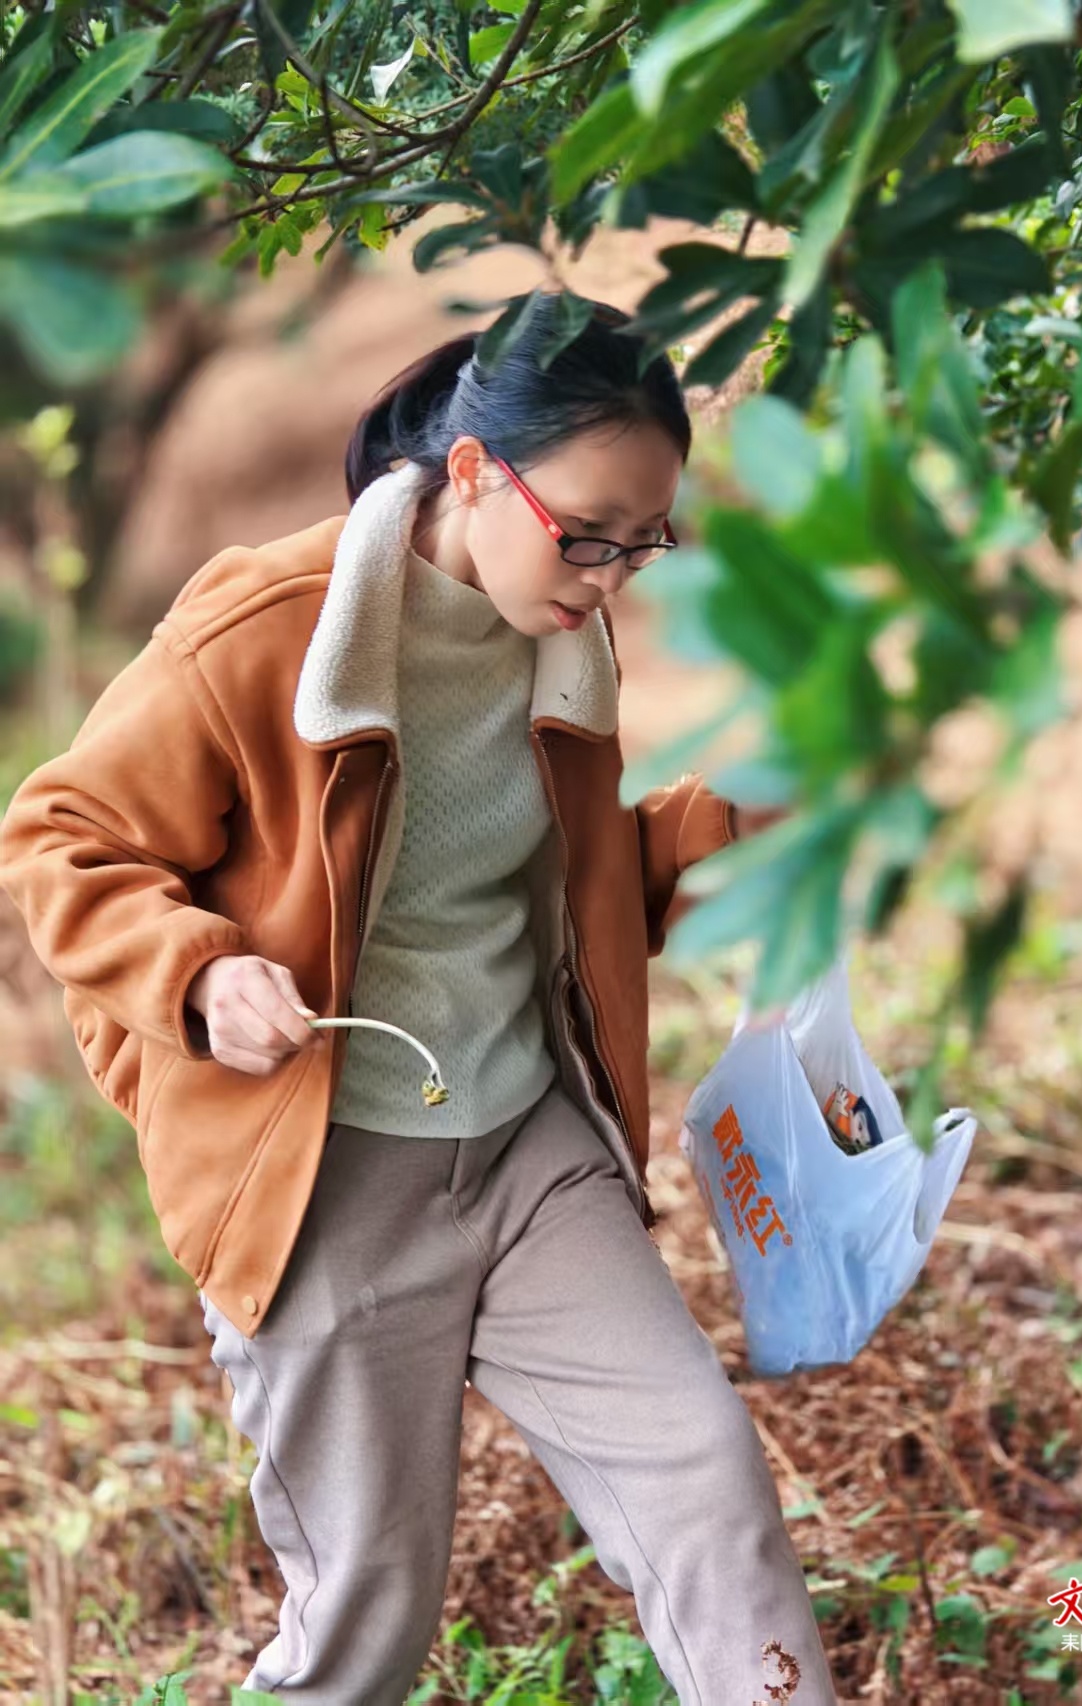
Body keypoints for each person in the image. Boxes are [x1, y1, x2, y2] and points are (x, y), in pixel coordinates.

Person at [0, 294, 836, 1705]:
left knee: (706, 1480)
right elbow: (60, 831)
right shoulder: (266, 625)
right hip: (324, 1185)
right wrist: (200, 974)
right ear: (468, 474)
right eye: (588, 531)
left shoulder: (559, 634)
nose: (612, 575)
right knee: (364, 1628)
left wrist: (730, 823)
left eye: (645, 540)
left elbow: (559, 890)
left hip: (524, 1149)